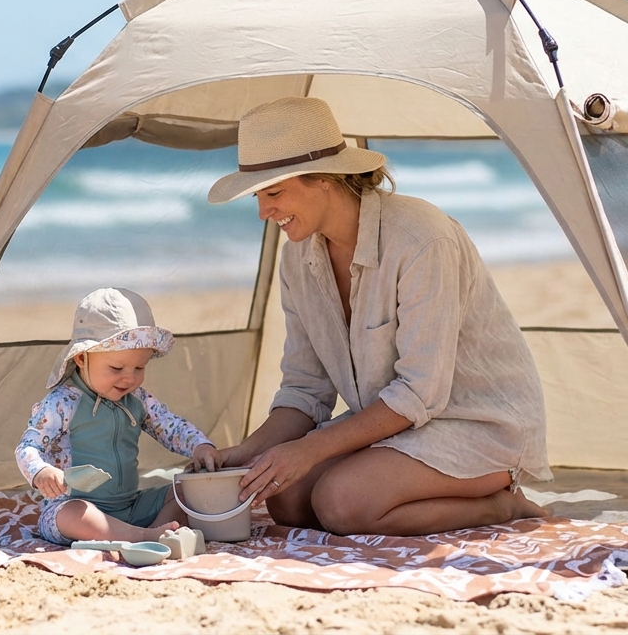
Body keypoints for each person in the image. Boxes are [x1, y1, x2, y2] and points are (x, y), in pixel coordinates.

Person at [206, 96, 551, 537]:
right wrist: (246, 453)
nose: (262, 211)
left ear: (325, 179)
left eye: (273, 192)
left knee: (342, 503)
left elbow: (420, 393)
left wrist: (309, 450)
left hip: (478, 427)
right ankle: (374, 484)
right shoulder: (297, 259)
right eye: (259, 195)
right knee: (286, 498)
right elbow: (305, 387)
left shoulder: (422, 240)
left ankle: (501, 507)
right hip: (397, 429)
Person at [16, 287, 220, 545]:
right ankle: (145, 537)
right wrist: (41, 471)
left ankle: (158, 537)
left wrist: (200, 445)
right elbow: (27, 447)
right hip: (76, 508)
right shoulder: (62, 402)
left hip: (130, 508)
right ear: (81, 358)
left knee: (185, 491)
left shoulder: (137, 399)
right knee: (74, 515)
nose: (130, 377)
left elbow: (170, 426)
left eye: (139, 367)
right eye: (116, 368)